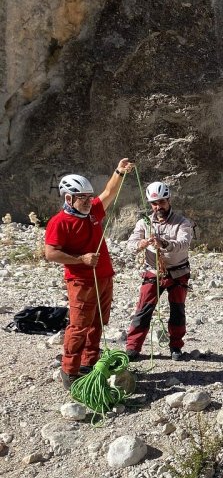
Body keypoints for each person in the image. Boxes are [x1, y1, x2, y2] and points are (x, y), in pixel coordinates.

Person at [44, 159, 134, 389]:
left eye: (87, 196)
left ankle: (89, 362)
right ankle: (70, 370)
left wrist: (119, 171)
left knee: (99, 323)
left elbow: (109, 192)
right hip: (81, 281)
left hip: (104, 277)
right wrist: (80, 260)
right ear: (68, 198)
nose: (87, 201)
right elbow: (51, 253)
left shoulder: (92, 210)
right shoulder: (59, 222)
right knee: (79, 325)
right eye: (81, 197)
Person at [125, 181, 195, 361]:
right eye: (154, 204)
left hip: (178, 273)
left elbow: (183, 244)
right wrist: (142, 244)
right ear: (150, 204)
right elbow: (130, 245)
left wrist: (163, 243)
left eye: (162, 202)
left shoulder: (182, 223)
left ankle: (176, 347)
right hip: (154, 272)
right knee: (143, 310)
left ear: (169, 200)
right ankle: (133, 348)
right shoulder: (144, 223)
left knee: (177, 310)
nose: (158, 207)